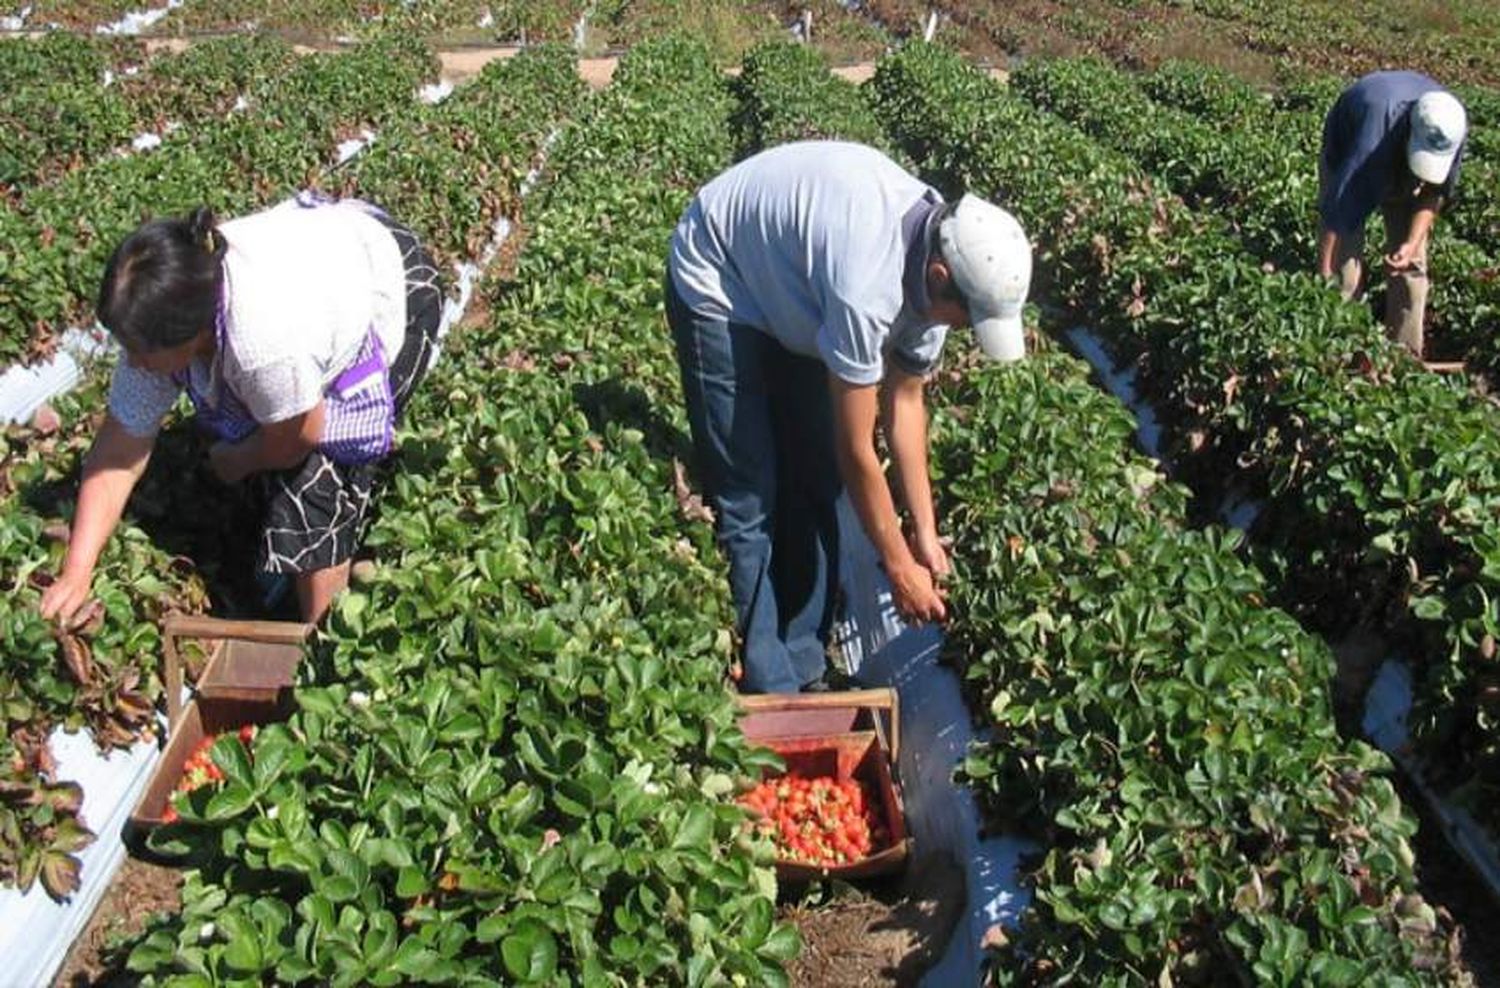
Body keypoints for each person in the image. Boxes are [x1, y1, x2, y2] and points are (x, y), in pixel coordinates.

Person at [666, 140, 1032, 694]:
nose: (962, 331)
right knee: (750, 488)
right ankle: (769, 683)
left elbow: (905, 405)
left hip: (793, 288)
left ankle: (805, 660)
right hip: (722, 275)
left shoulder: (937, 268)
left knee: (816, 478)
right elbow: (858, 446)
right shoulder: (868, 282)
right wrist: (896, 565)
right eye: (966, 318)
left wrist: (925, 537)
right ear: (938, 276)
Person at [38, 191, 441, 626]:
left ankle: (322, 643)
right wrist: (77, 572)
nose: (134, 363)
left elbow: (300, 437)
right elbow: (117, 453)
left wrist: (239, 459)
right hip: (326, 269)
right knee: (258, 436)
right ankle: (272, 569)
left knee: (315, 479)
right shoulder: (163, 312)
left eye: (142, 353)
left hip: (390, 281)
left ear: (191, 336)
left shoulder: (264, 345)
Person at [1318, 71, 1467, 358]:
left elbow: (1434, 192)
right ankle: (1338, 346)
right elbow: (1337, 213)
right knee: (1343, 271)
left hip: (1397, 142)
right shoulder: (1373, 136)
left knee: (1412, 266)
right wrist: (1325, 272)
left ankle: (1403, 355)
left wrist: (1410, 244)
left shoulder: (1452, 128)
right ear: (1410, 132)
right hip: (1352, 143)